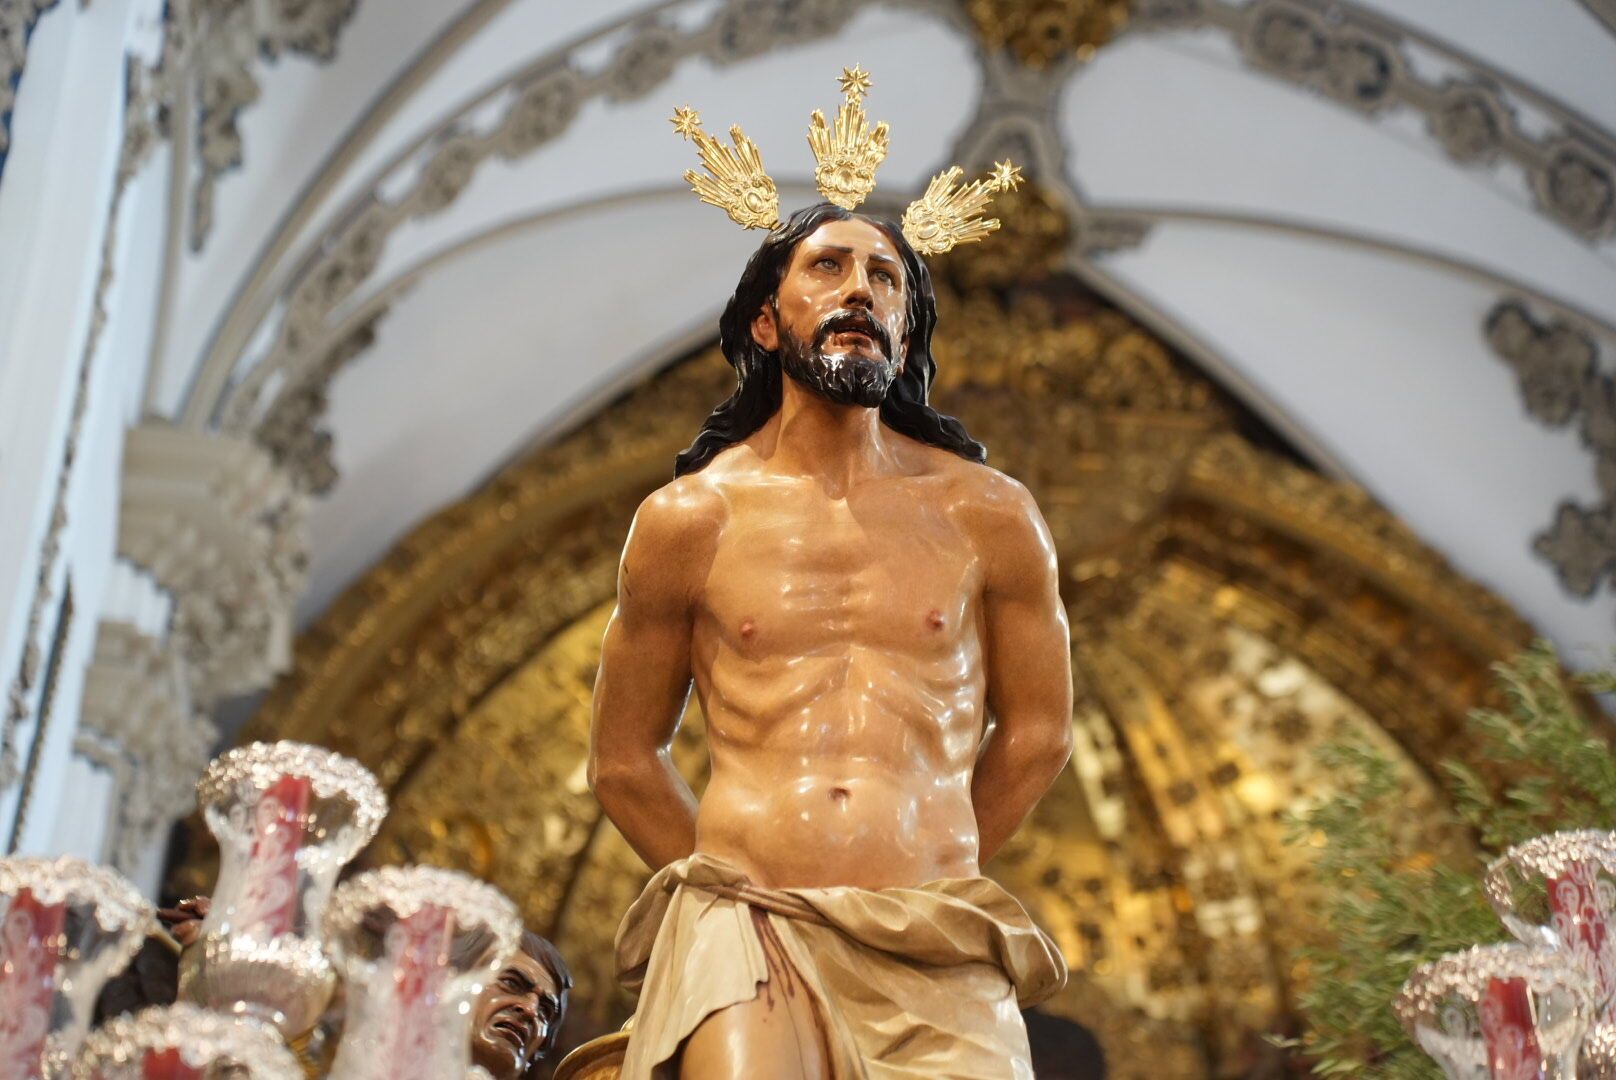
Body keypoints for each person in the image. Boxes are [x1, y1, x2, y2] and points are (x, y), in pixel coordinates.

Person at [589, 181, 1074, 1074]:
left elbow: (1040, 730)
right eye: (829, 267)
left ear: (907, 330)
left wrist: (935, 850)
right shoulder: (690, 519)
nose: (862, 290)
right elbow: (622, 759)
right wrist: (728, 882)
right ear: (768, 323)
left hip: (932, 928)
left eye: (887, 279)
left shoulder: (988, 514)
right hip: (750, 931)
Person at [127, 898, 571, 1079]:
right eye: (513, 984)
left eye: (547, 1012)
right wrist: (228, 959)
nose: (531, 1011)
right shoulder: (330, 1049)